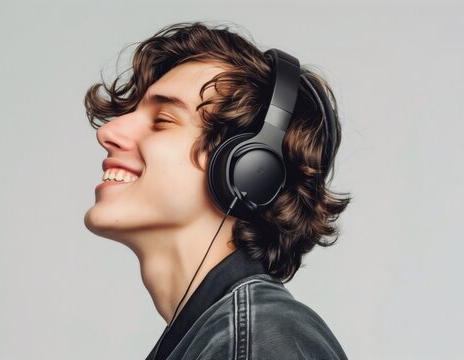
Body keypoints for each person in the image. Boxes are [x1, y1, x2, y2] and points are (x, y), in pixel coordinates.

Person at [83, 21, 352, 360]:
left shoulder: (259, 338)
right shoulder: (221, 336)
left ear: (250, 171)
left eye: (163, 119)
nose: (108, 131)